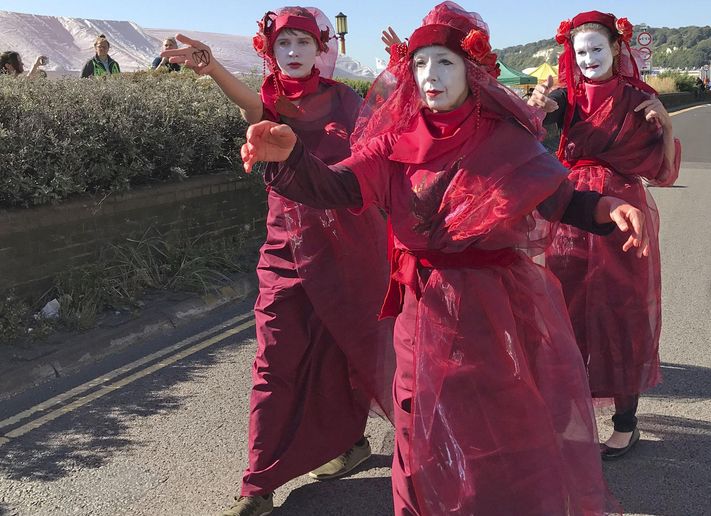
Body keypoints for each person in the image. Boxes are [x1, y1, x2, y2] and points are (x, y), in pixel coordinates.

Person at [241, 3, 647, 513]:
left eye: (445, 63)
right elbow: (338, 185)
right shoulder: (393, 142)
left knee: (497, 422)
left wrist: (610, 207)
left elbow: (559, 198)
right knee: (418, 427)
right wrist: (290, 157)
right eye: (420, 64)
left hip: (494, 304)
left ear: (472, 70)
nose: (430, 76)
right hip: (422, 304)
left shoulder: (506, 138)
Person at [162, 8, 393, 516]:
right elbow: (255, 112)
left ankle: (351, 444)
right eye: (283, 42)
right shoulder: (272, 102)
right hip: (284, 248)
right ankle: (257, 485)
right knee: (275, 360)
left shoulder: (350, 102)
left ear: (319, 50)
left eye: (302, 43)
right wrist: (214, 68)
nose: (292, 51)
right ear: (270, 50)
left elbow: (383, 161)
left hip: (348, 252)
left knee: (345, 350)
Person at [528, 10, 681, 460]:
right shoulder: (560, 98)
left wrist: (667, 124)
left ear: (616, 48)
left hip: (625, 214)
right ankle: (568, 418)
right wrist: (532, 114)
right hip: (571, 213)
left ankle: (626, 424)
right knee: (565, 312)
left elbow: (662, 172)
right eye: (581, 52)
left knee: (622, 313)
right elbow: (527, 152)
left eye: (597, 48)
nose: (589, 58)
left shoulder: (640, 99)